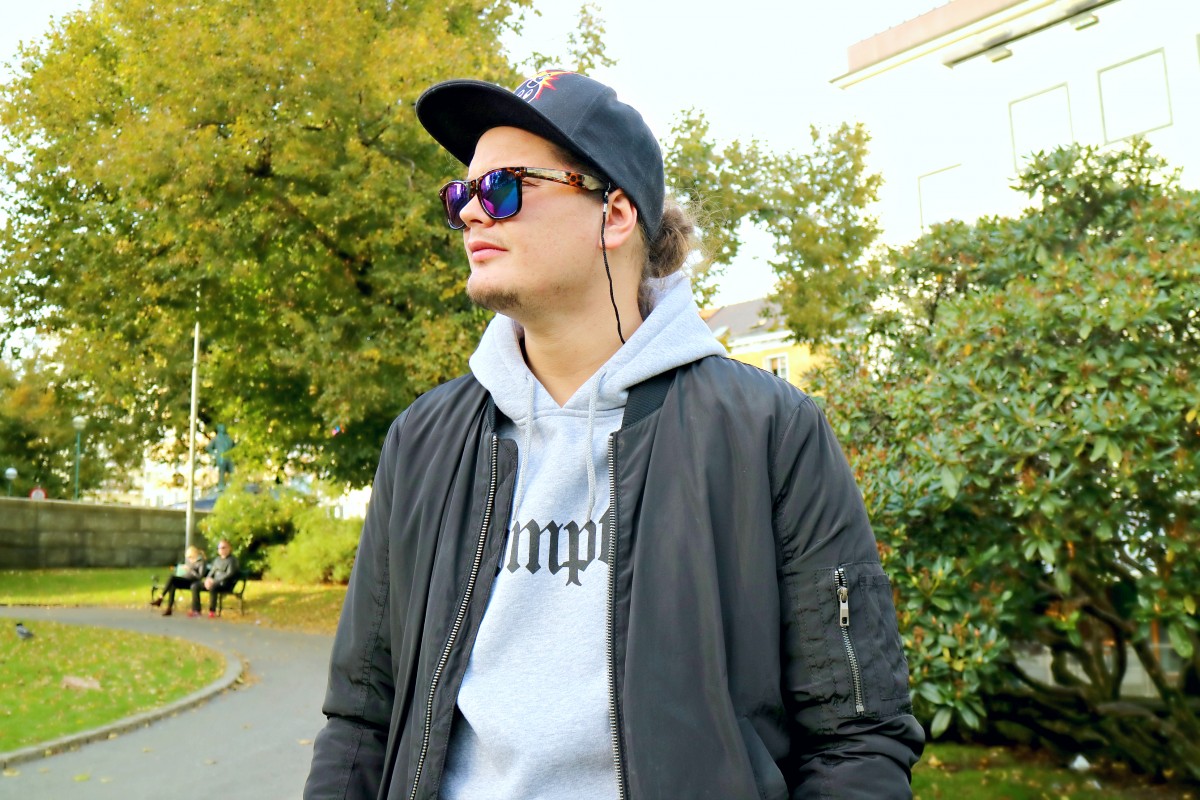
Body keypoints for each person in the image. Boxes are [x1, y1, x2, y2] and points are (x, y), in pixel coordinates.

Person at [305, 70, 924, 799]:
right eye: (460, 195)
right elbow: (362, 719)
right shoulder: (423, 442)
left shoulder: (767, 432)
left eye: (502, 188)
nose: (472, 213)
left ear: (615, 213)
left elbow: (857, 733)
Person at [151, 545, 205, 617]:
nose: (189, 559)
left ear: (194, 554)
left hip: (192, 582)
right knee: (173, 584)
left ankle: (160, 598)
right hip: (185, 579)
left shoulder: (201, 562)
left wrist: (190, 570)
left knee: (172, 578)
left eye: (190, 557)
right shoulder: (190, 562)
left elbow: (199, 576)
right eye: (188, 557)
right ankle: (169, 608)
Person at [192, 538, 240, 618]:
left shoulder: (233, 560)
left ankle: (212, 611)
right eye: (219, 548)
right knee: (195, 586)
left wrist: (214, 581)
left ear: (229, 548)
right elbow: (212, 572)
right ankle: (196, 610)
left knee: (213, 587)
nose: (221, 550)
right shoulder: (217, 560)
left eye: (223, 547)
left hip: (225, 584)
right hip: (214, 582)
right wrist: (207, 580)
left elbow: (229, 574)